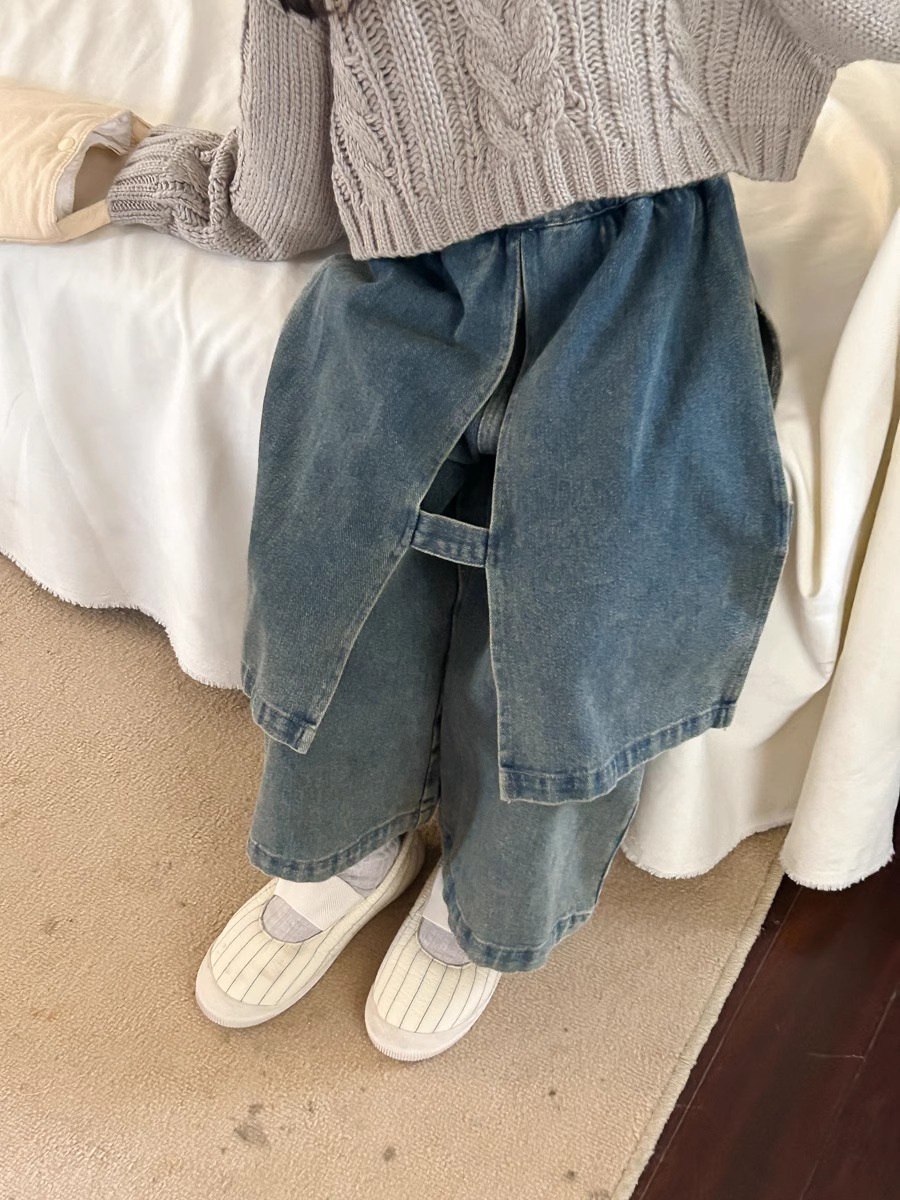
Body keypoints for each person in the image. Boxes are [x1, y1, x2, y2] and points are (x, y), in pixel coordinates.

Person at [107, 0, 899, 1061]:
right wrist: (167, 178)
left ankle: (492, 898)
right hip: (416, 271)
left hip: (643, 271)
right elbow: (290, 197)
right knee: (332, 541)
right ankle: (346, 847)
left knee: (587, 590)